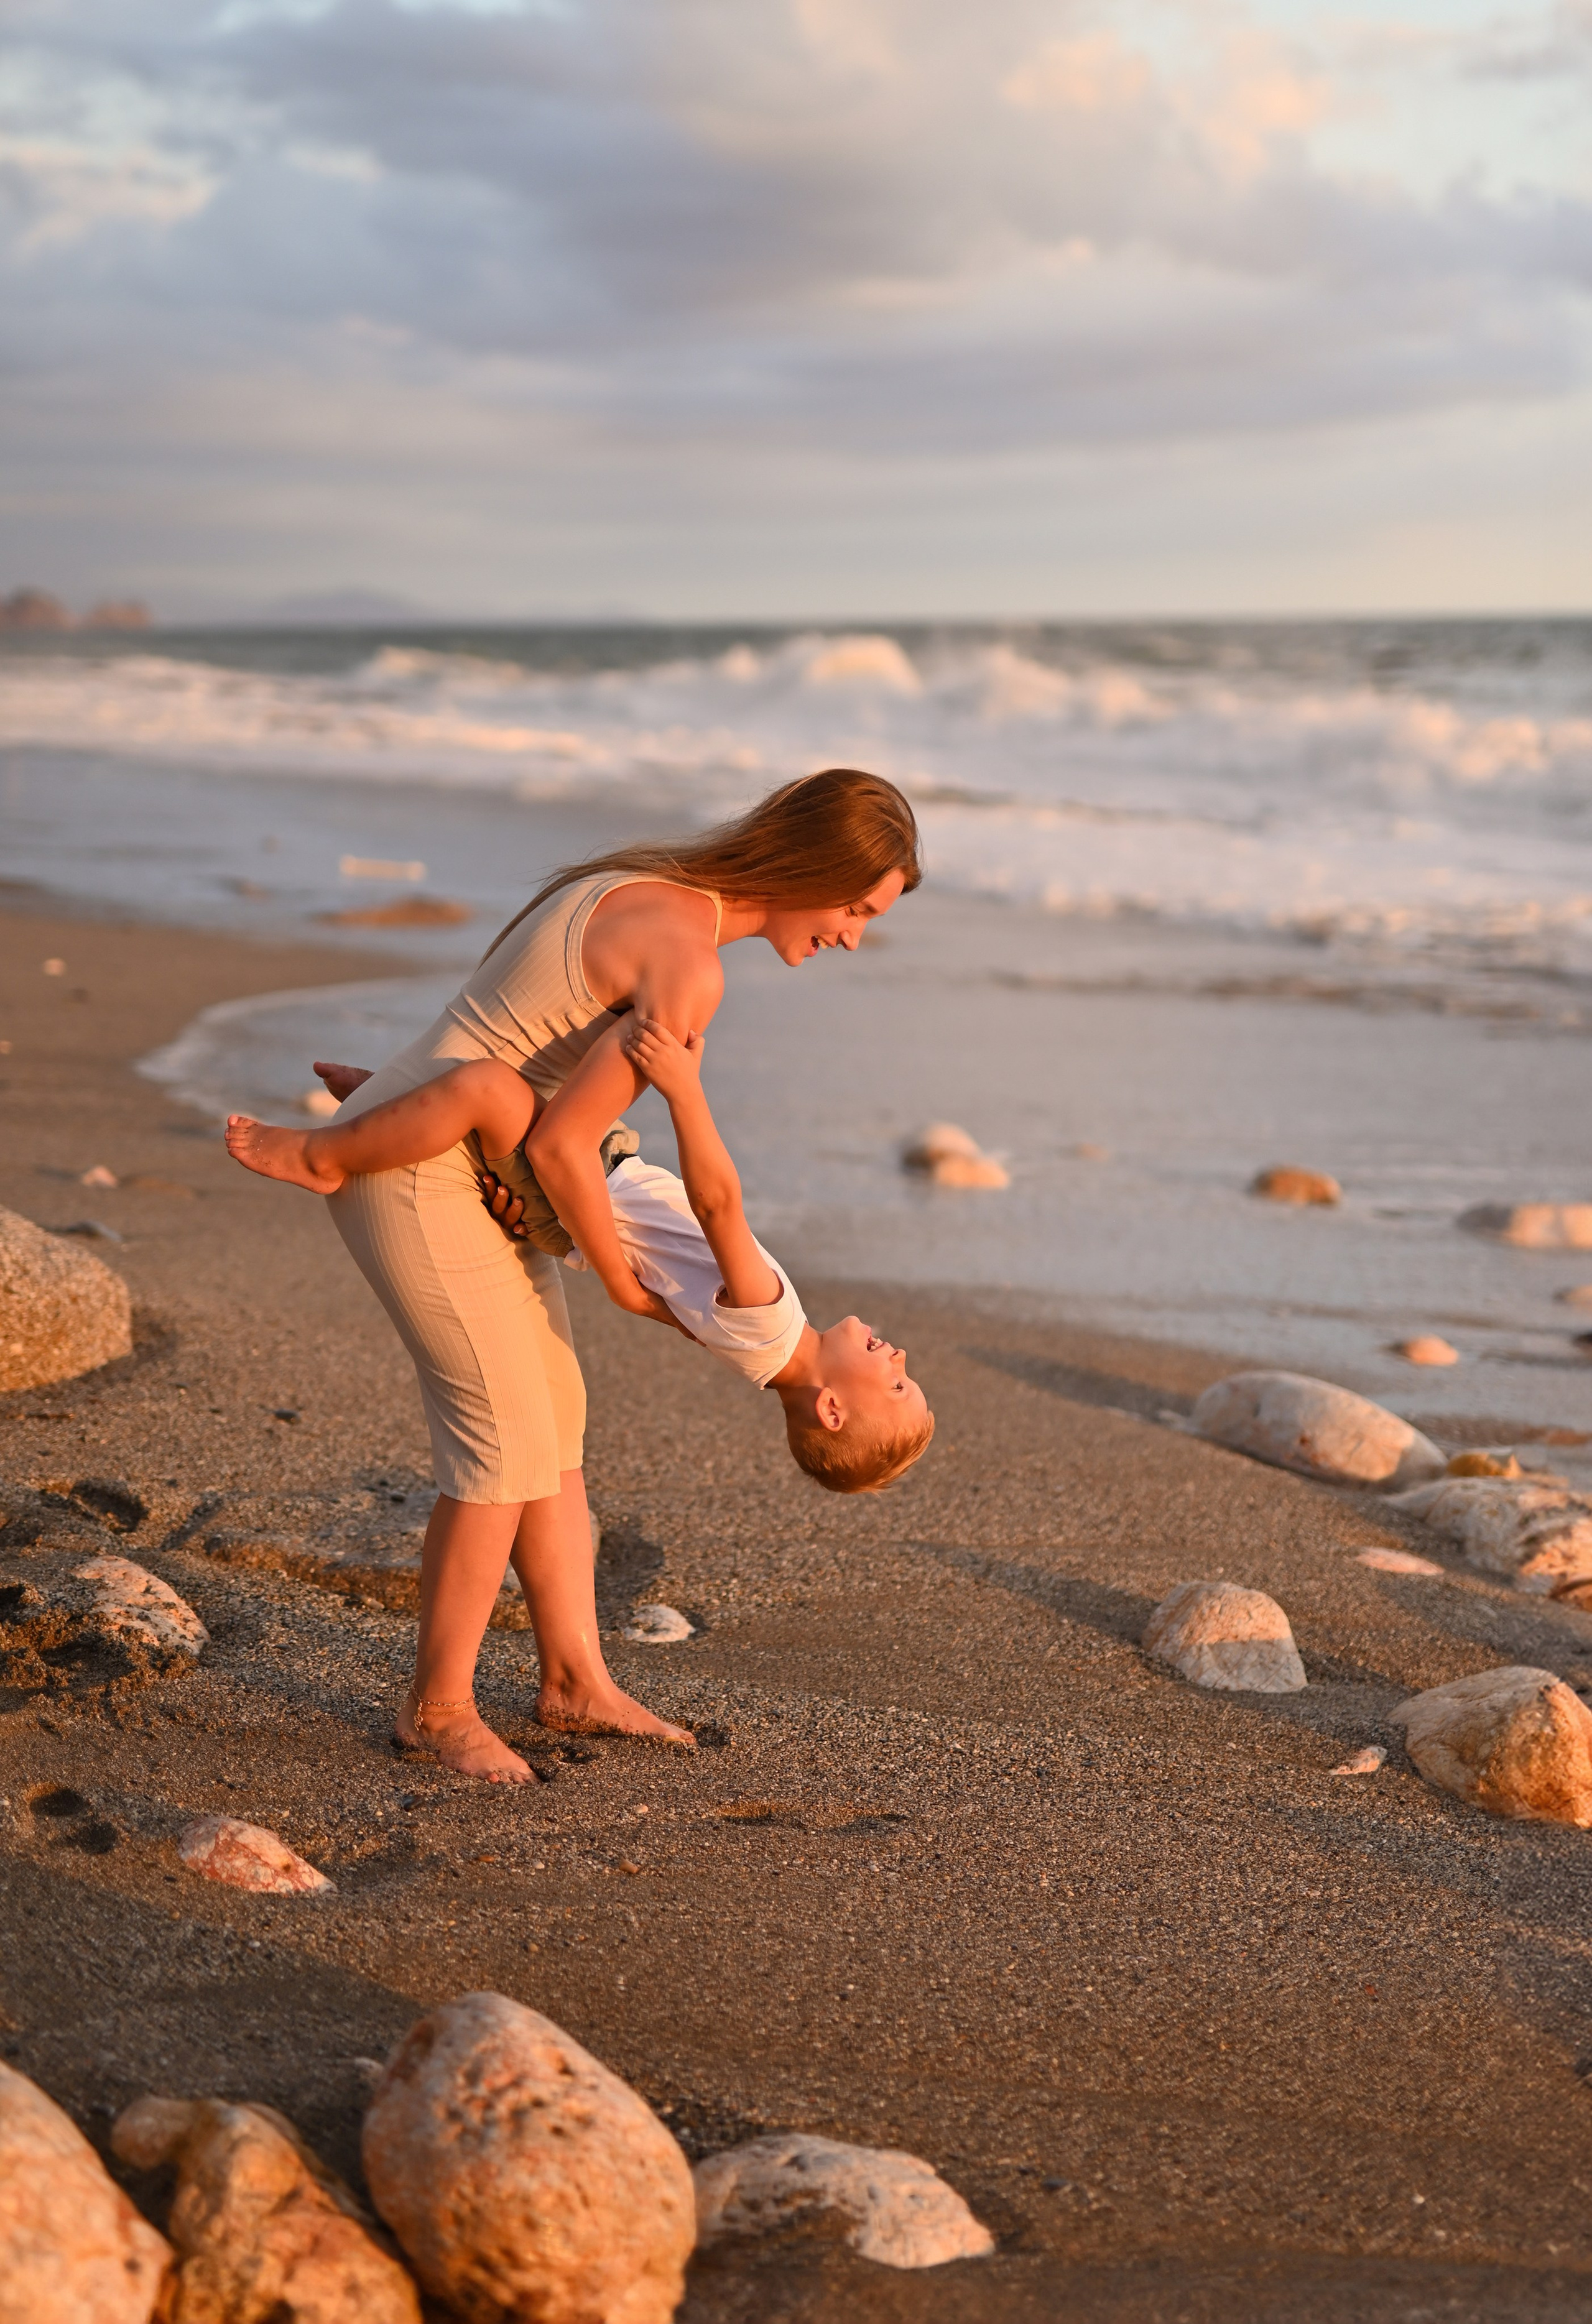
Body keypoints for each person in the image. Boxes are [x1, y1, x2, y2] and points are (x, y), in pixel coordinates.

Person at [224, 770, 923, 1783]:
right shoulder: (690, 965)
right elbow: (561, 1146)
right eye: (858, 907)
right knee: (503, 1453)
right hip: (416, 1171)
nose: (855, 935)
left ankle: (575, 1679)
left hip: (453, 1151)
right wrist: (612, 1272)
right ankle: (438, 1709)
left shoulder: (637, 882)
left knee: (554, 1429)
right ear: (815, 867)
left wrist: (542, 1195)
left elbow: (535, 1094)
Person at [226, 1018, 933, 1490]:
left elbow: (720, 1205)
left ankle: (330, 1152)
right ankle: (391, 1104)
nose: (899, 1358)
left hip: (587, 1187)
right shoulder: (762, 1357)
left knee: (489, 1088)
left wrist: (686, 1092)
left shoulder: (775, 1325)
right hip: (594, 1194)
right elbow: (661, 1303)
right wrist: (580, 1259)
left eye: (896, 1384)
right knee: (532, 1085)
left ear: (832, 1410)